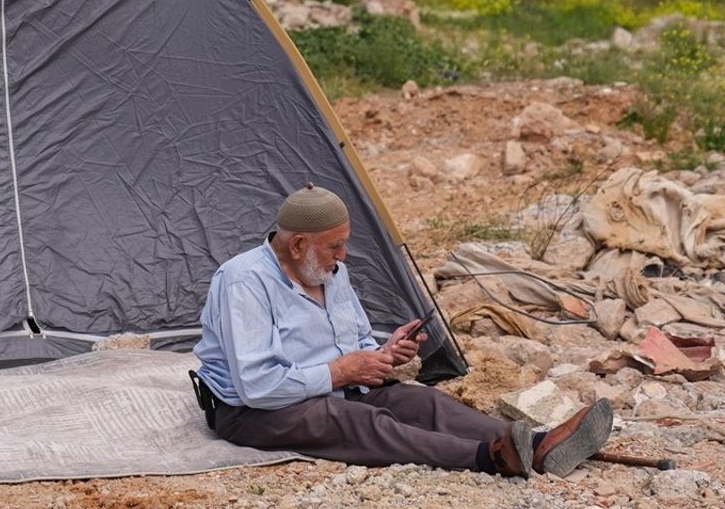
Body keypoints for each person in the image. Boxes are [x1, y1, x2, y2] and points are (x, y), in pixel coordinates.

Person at [193, 184, 612, 478]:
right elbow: (257, 386)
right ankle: (490, 457)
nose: (344, 255)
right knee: (358, 420)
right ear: (299, 244)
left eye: (345, 243)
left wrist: (384, 353)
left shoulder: (331, 272)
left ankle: (537, 445)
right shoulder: (243, 281)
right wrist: (340, 372)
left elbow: (355, 342)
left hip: (336, 387)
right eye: (334, 246)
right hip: (255, 413)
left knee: (422, 402)